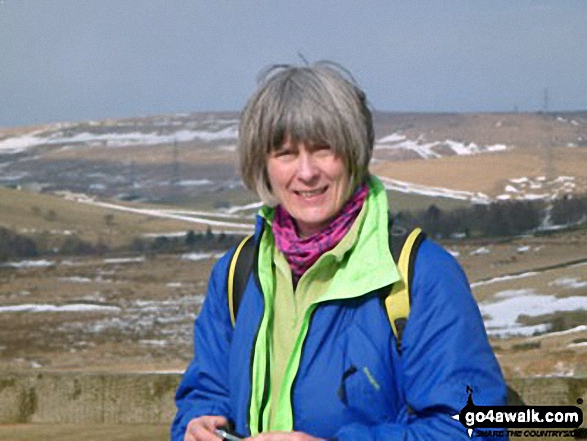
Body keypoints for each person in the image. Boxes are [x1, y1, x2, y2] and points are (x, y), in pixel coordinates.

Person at [172, 62, 507, 441]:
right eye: (285, 153)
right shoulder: (237, 274)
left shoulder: (420, 275)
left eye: (323, 149)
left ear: (353, 153)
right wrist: (200, 424)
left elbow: (477, 428)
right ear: (262, 165)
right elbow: (207, 392)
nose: (307, 172)